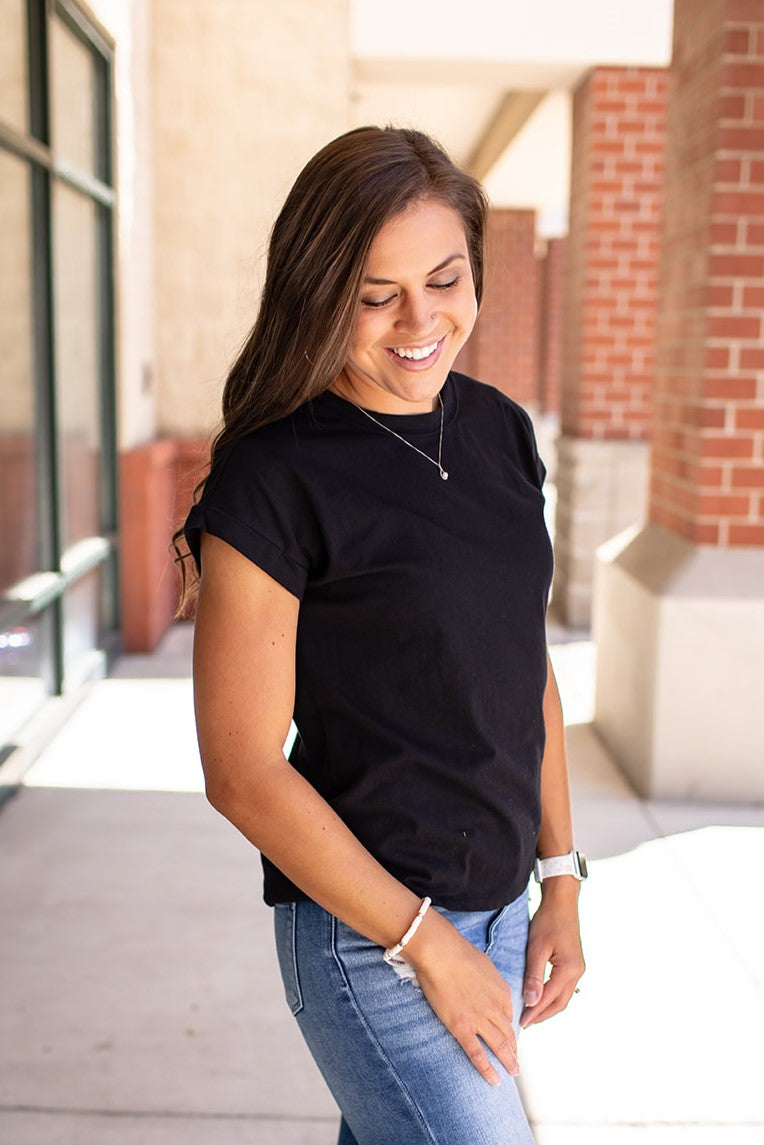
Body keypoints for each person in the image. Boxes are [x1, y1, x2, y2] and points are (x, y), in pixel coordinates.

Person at [177, 125, 585, 1145]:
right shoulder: (275, 476)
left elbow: (521, 666)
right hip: (371, 938)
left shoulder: (497, 430)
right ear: (319, 297)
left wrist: (561, 877)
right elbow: (240, 771)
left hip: (499, 911)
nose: (420, 320)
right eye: (375, 296)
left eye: (445, 280)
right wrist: (426, 944)